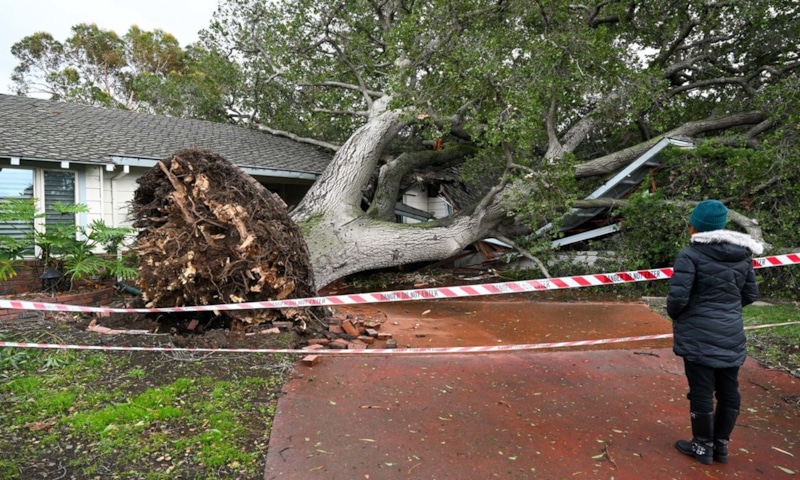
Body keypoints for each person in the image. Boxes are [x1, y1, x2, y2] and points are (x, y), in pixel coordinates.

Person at [666, 199, 763, 465]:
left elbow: (677, 299)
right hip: (731, 332)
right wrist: (728, 310)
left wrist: (682, 316)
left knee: (701, 390)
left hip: (698, 333)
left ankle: (702, 446)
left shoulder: (690, 255)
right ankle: (721, 447)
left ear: (695, 227)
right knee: (728, 390)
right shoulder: (743, 254)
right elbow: (750, 294)